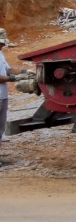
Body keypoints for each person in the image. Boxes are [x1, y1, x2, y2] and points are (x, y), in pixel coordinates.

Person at [0, 29, 29, 164]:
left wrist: (25, 72)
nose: (3, 46)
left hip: (2, 96)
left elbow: (7, 69)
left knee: (1, 126)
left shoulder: (0, 54)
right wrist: (15, 79)